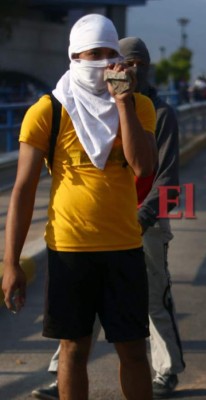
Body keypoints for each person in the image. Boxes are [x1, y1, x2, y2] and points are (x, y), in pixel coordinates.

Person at [2, 14, 157, 400]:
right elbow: (22, 190)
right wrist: (11, 262)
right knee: (74, 350)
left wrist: (122, 103)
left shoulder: (139, 107)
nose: (103, 62)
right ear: (74, 56)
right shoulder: (47, 111)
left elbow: (144, 167)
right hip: (70, 249)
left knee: (134, 351)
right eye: (93, 54)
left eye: (111, 53)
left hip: (124, 247)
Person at [29, 36, 186, 400]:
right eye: (120, 63)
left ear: (143, 68)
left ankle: (167, 369)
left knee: (153, 304)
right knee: (82, 321)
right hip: (98, 230)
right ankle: (62, 375)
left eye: (132, 64)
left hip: (144, 221)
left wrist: (141, 217)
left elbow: (165, 177)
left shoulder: (158, 113)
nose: (123, 71)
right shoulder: (84, 107)